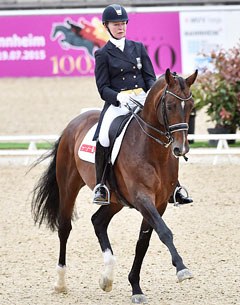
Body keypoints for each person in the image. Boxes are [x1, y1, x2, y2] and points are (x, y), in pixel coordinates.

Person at [92, 3, 193, 206]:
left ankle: (174, 187)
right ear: (106, 26)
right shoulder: (103, 54)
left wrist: (150, 97)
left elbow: (150, 79)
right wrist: (119, 97)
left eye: (123, 23)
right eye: (116, 24)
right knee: (104, 137)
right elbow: (103, 88)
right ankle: (101, 185)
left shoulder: (137, 48)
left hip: (142, 99)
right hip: (118, 103)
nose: (121, 27)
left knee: (164, 129)